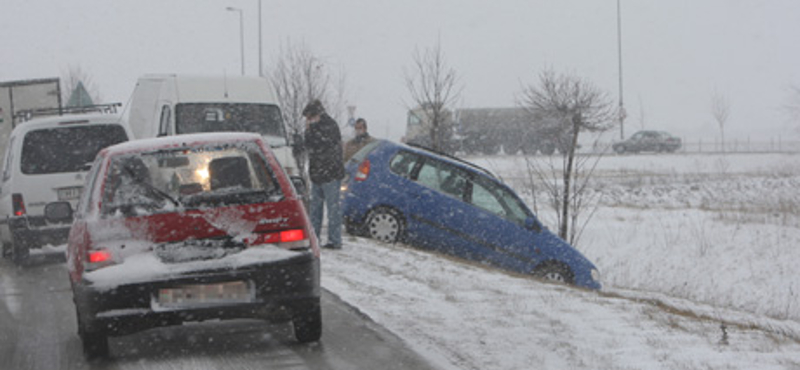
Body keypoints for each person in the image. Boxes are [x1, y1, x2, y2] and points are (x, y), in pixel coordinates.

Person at [303, 99, 345, 249]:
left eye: (309, 117)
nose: (308, 121)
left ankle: (335, 240)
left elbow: (323, 147)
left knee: (332, 209)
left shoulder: (329, 126)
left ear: (316, 114)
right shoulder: (315, 129)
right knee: (315, 209)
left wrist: (311, 132)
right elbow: (309, 146)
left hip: (330, 174)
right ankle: (315, 238)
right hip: (318, 174)